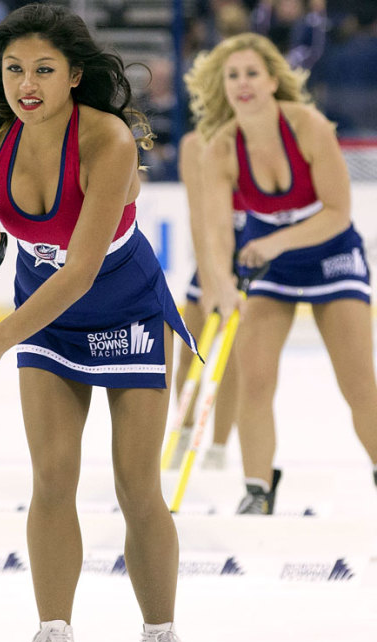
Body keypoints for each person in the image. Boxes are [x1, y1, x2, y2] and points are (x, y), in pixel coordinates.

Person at [0, 3, 210, 642]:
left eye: (44, 70)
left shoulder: (108, 140)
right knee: (51, 476)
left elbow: (83, 269)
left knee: (134, 484)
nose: (27, 83)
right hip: (47, 318)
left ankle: (160, 640)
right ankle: (53, 635)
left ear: (73, 76)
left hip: (124, 308)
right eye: (16, 69)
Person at [183, 33, 377, 536]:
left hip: (329, 253)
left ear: (273, 81)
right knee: (255, 380)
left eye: (252, 73)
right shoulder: (220, 149)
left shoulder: (309, 127)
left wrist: (272, 243)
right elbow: (216, 235)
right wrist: (221, 288)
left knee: (356, 382)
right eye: (233, 76)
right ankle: (258, 491)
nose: (242, 84)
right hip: (269, 266)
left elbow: (338, 213)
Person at [168, 128, 244, 472]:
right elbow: (199, 219)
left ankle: (217, 447)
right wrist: (213, 279)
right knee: (190, 355)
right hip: (210, 263)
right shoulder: (194, 144)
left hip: (250, 261)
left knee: (231, 361)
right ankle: (184, 433)